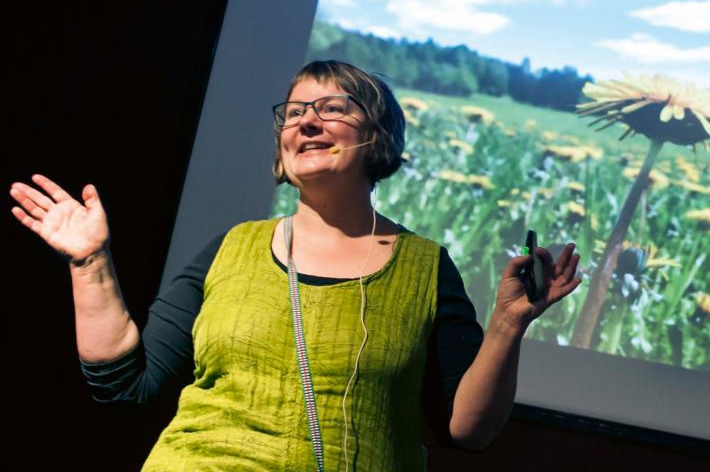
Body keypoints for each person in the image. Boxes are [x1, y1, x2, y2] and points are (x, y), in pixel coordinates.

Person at [10, 60, 581, 471]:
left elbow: (469, 431)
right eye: (295, 110)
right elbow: (126, 384)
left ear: (379, 138)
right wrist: (89, 261)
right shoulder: (231, 248)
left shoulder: (425, 269)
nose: (306, 121)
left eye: (333, 109)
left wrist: (509, 324)